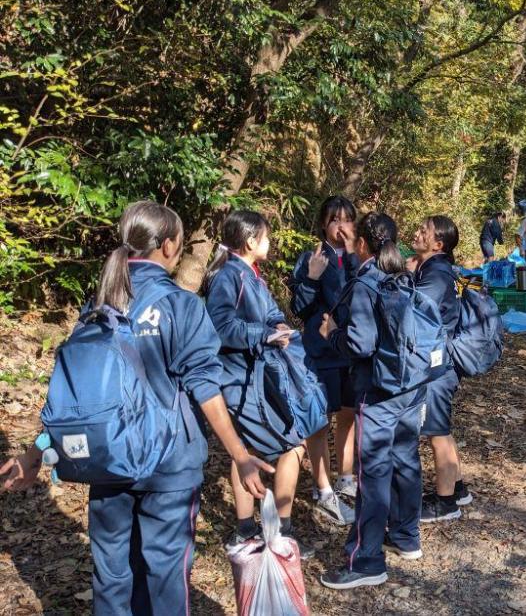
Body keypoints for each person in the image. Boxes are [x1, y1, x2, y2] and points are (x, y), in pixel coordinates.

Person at [1, 201, 272, 615]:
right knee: (165, 577)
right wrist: (241, 456)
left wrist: (36, 453)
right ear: (167, 245)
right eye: (180, 242)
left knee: (111, 579)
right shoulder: (181, 306)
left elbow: (76, 397)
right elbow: (205, 387)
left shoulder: (99, 304)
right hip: (169, 468)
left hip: (106, 461)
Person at [204, 210, 340, 557]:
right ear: (250, 242)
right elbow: (222, 328)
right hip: (241, 378)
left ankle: (250, 529)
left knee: (248, 450)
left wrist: (277, 326)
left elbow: (265, 314)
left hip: (255, 376)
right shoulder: (229, 277)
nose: (270, 242)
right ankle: (276, 531)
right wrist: (265, 335)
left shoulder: (247, 274)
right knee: (291, 445)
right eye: (265, 237)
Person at [318, 213, 425, 590]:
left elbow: (360, 344)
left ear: (363, 243)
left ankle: (367, 560)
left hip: (377, 391)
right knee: (406, 459)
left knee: (373, 474)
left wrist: (332, 334)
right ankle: (407, 536)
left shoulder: (366, 284)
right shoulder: (401, 275)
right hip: (409, 386)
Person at [289, 195, 361, 521]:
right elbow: (299, 309)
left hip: (353, 349)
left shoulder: (361, 256)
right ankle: (322, 488)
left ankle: (346, 478)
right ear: (323, 224)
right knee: (320, 420)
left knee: (349, 414)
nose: (341, 226)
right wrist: (311, 277)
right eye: (334, 219)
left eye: (346, 219)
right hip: (321, 352)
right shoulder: (312, 258)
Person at [411, 216, 473, 523]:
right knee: (440, 428)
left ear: (438, 244)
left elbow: (413, 310)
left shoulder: (435, 275)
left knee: (437, 431)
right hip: (440, 362)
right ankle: (457, 488)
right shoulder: (433, 270)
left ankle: (445, 502)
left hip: (437, 366)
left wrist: (403, 279)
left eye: (424, 232)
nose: (417, 233)